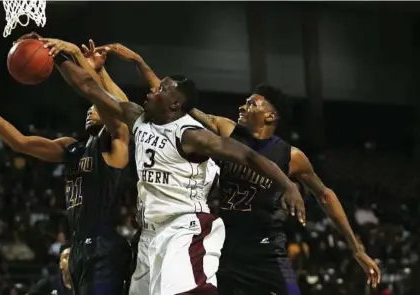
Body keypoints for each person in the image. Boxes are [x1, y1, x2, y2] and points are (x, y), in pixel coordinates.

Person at [93, 43, 382, 294]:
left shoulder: (292, 156)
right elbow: (171, 102)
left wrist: (356, 248)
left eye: (251, 103)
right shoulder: (225, 130)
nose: (242, 106)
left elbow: (325, 195)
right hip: (225, 242)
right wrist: (140, 63)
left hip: (265, 245)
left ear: (270, 115)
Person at [40, 37, 304, 295]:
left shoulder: (192, 135)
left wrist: (287, 184)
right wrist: (61, 54)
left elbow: (249, 156)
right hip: (149, 234)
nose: (154, 89)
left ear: (175, 104)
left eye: (162, 89)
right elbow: (89, 87)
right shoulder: (137, 118)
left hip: (185, 227)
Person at [0, 35, 132, 295]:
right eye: (88, 109)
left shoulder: (115, 143)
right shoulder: (73, 148)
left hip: (104, 245)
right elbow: (21, 143)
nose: (90, 111)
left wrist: (96, 71)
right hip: (78, 245)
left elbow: (116, 105)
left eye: (96, 109)